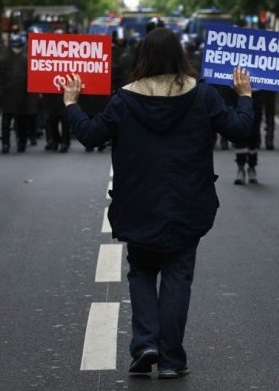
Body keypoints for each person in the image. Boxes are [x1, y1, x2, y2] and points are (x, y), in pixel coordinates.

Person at [61, 27, 253, 379]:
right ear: (180, 56)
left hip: (138, 204)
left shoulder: (124, 99)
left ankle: (145, 343)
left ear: (142, 58)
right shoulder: (204, 95)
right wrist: (244, 95)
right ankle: (171, 359)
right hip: (188, 203)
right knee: (178, 277)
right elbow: (240, 130)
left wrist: (72, 103)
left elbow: (90, 135)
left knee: (142, 272)